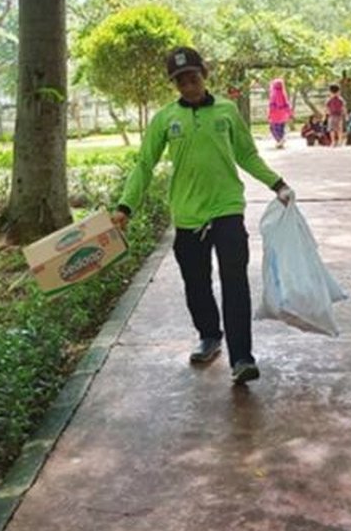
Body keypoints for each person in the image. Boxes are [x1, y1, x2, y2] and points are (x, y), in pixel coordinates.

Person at [112, 47, 294, 385]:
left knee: (235, 283)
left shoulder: (226, 111)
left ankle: (242, 357)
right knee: (196, 284)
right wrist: (125, 207)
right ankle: (209, 335)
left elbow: (246, 155)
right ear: (174, 84)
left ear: (204, 75)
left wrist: (277, 184)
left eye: (193, 77)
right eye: (180, 81)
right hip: (187, 216)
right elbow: (145, 165)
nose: (188, 85)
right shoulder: (165, 119)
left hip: (227, 209)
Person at [268, 78, 293, 149]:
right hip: (283, 114)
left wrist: (269, 114)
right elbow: (287, 104)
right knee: (281, 128)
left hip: (275, 114)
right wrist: (289, 113)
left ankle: (279, 140)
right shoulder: (283, 93)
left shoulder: (273, 94)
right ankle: (281, 141)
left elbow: (271, 105)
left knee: (273, 128)